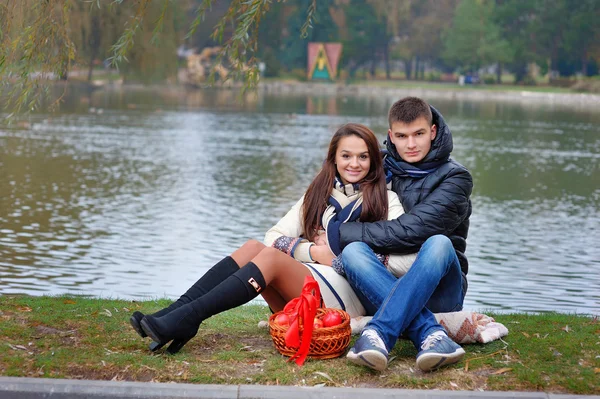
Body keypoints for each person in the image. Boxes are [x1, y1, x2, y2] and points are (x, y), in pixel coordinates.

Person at [129, 123, 415, 354]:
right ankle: (174, 312)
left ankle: (189, 319)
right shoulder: (318, 194)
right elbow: (273, 237)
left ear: (374, 161)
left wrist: (344, 260)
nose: (354, 163)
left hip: (348, 301)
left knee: (270, 259)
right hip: (310, 286)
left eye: (363, 156)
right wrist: (314, 252)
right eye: (346, 155)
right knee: (253, 248)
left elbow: (406, 263)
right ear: (334, 158)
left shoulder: (387, 201)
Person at [339, 97, 473, 372]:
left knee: (438, 243)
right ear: (391, 136)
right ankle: (431, 336)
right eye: (402, 136)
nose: (411, 145)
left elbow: (412, 232)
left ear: (433, 132)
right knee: (353, 252)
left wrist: (343, 232)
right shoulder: (379, 167)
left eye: (419, 134)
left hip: (440, 290)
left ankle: (379, 335)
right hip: (383, 281)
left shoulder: (456, 178)